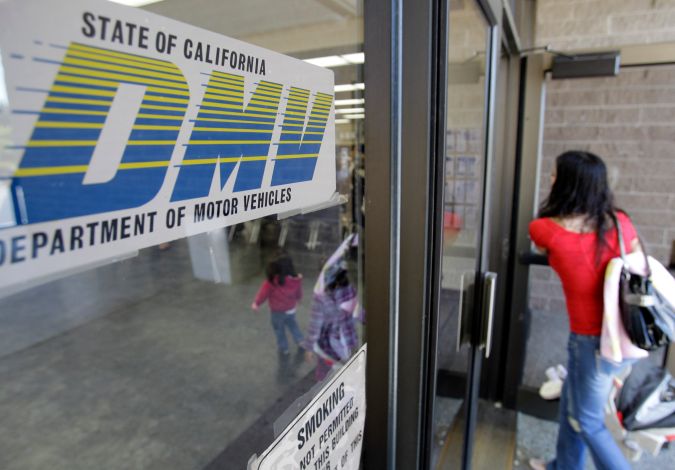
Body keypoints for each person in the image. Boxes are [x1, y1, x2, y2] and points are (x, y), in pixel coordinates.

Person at [528, 151, 640, 470]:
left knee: (588, 422)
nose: (550, 179)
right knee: (571, 407)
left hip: (593, 344)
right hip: (626, 335)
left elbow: (542, 243)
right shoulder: (620, 223)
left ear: (566, 185)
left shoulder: (546, 230)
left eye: (554, 175)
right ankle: (564, 465)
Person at [302, 262, 358, 381]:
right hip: (347, 340)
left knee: (324, 371)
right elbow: (355, 310)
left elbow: (315, 326)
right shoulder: (349, 289)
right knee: (344, 368)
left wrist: (309, 348)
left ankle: (326, 389)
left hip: (328, 345)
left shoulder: (321, 298)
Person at [251, 254, 304, 356]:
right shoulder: (295, 280)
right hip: (291, 310)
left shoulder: (271, 282)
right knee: (293, 325)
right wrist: (299, 299)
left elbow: (263, 294)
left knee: (279, 330)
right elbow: (299, 292)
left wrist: (256, 303)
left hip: (277, 313)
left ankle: (284, 348)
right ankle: (300, 341)